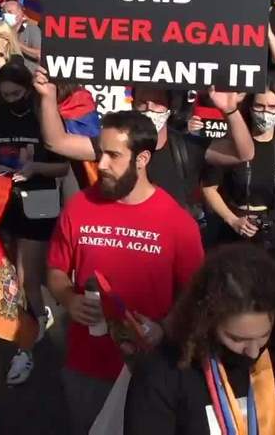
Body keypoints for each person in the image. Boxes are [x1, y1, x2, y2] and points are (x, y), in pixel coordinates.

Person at [48, 111, 205, 435]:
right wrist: (68, 298)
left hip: (149, 373)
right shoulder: (78, 206)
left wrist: (163, 328)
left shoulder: (177, 222)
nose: (101, 164)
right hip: (86, 367)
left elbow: (197, 297)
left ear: (142, 159)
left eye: (113, 155)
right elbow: (56, 270)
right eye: (99, 153)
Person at [124, 244, 275, 435]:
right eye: (236, 339)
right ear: (206, 322)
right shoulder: (163, 372)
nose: (253, 351)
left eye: (264, 336)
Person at [0, 64, 69, 385]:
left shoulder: (43, 117)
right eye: (6, 95)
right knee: (8, 272)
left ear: (28, 90)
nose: (12, 99)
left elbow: (62, 168)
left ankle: (31, 335)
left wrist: (35, 167)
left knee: (27, 277)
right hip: (4, 200)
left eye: (17, 94)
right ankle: (30, 321)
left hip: (39, 201)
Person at [35, 75, 253, 213]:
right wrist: (48, 97)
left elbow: (242, 153)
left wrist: (230, 110)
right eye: (142, 102)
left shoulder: (186, 146)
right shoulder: (117, 142)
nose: (149, 108)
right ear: (133, 105)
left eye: (157, 102)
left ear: (170, 106)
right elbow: (57, 142)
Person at [202, 76, 275, 276]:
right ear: (250, 108)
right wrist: (233, 220)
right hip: (236, 236)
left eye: (272, 107)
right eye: (260, 106)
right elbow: (209, 188)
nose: (265, 113)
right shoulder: (232, 146)